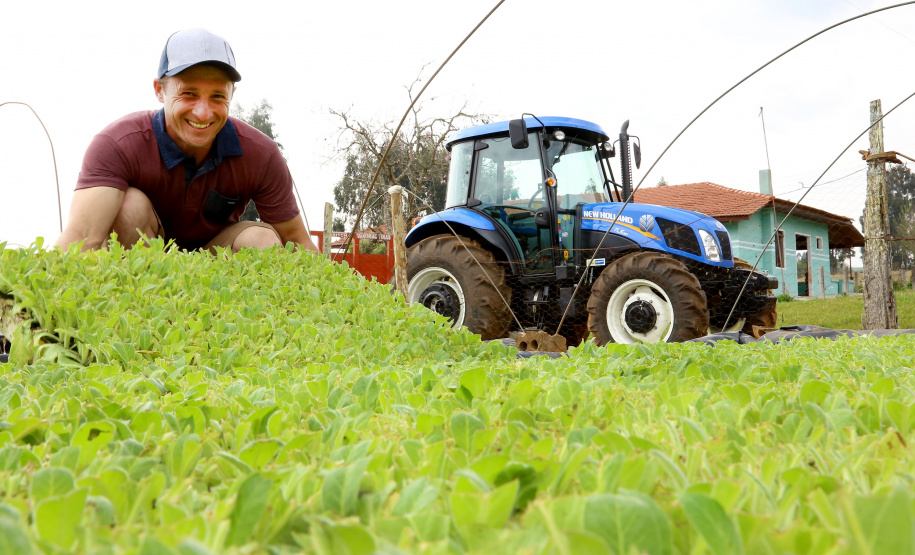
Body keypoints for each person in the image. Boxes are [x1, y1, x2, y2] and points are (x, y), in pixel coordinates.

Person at [54, 28, 318, 254]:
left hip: (216, 262)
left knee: (263, 240)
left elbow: (296, 240)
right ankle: (142, 306)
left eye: (217, 96)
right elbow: (80, 241)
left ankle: (227, 312)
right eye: (188, 93)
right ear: (160, 90)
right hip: (145, 263)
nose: (203, 113)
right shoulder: (117, 144)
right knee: (128, 207)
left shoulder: (261, 154)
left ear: (232, 93)